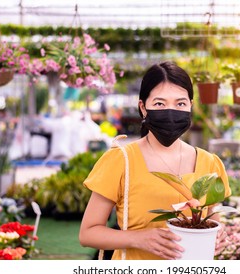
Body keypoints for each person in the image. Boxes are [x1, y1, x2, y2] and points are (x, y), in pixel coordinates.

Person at [79, 61, 231, 260]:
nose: (170, 111)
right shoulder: (121, 160)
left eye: (180, 103)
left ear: (190, 106)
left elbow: (213, 222)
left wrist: (218, 235)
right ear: (143, 107)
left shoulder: (209, 163)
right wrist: (138, 238)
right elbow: (88, 233)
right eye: (160, 103)